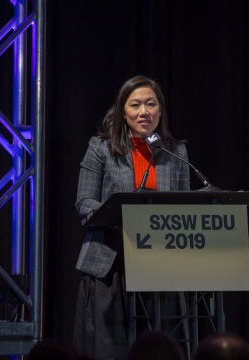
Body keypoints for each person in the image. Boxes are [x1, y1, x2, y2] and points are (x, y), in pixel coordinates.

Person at [73, 75, 190, 359]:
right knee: (108, 350)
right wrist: (117, 215)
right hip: (111, 263)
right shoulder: (100, 147)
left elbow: (185, 205)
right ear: (123, 111)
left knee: (156, 349)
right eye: (135, 104)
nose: (144, 112)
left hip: (160, 264)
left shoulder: (175, 152)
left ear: (160, 110)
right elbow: (84, 201)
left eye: (151, 104)